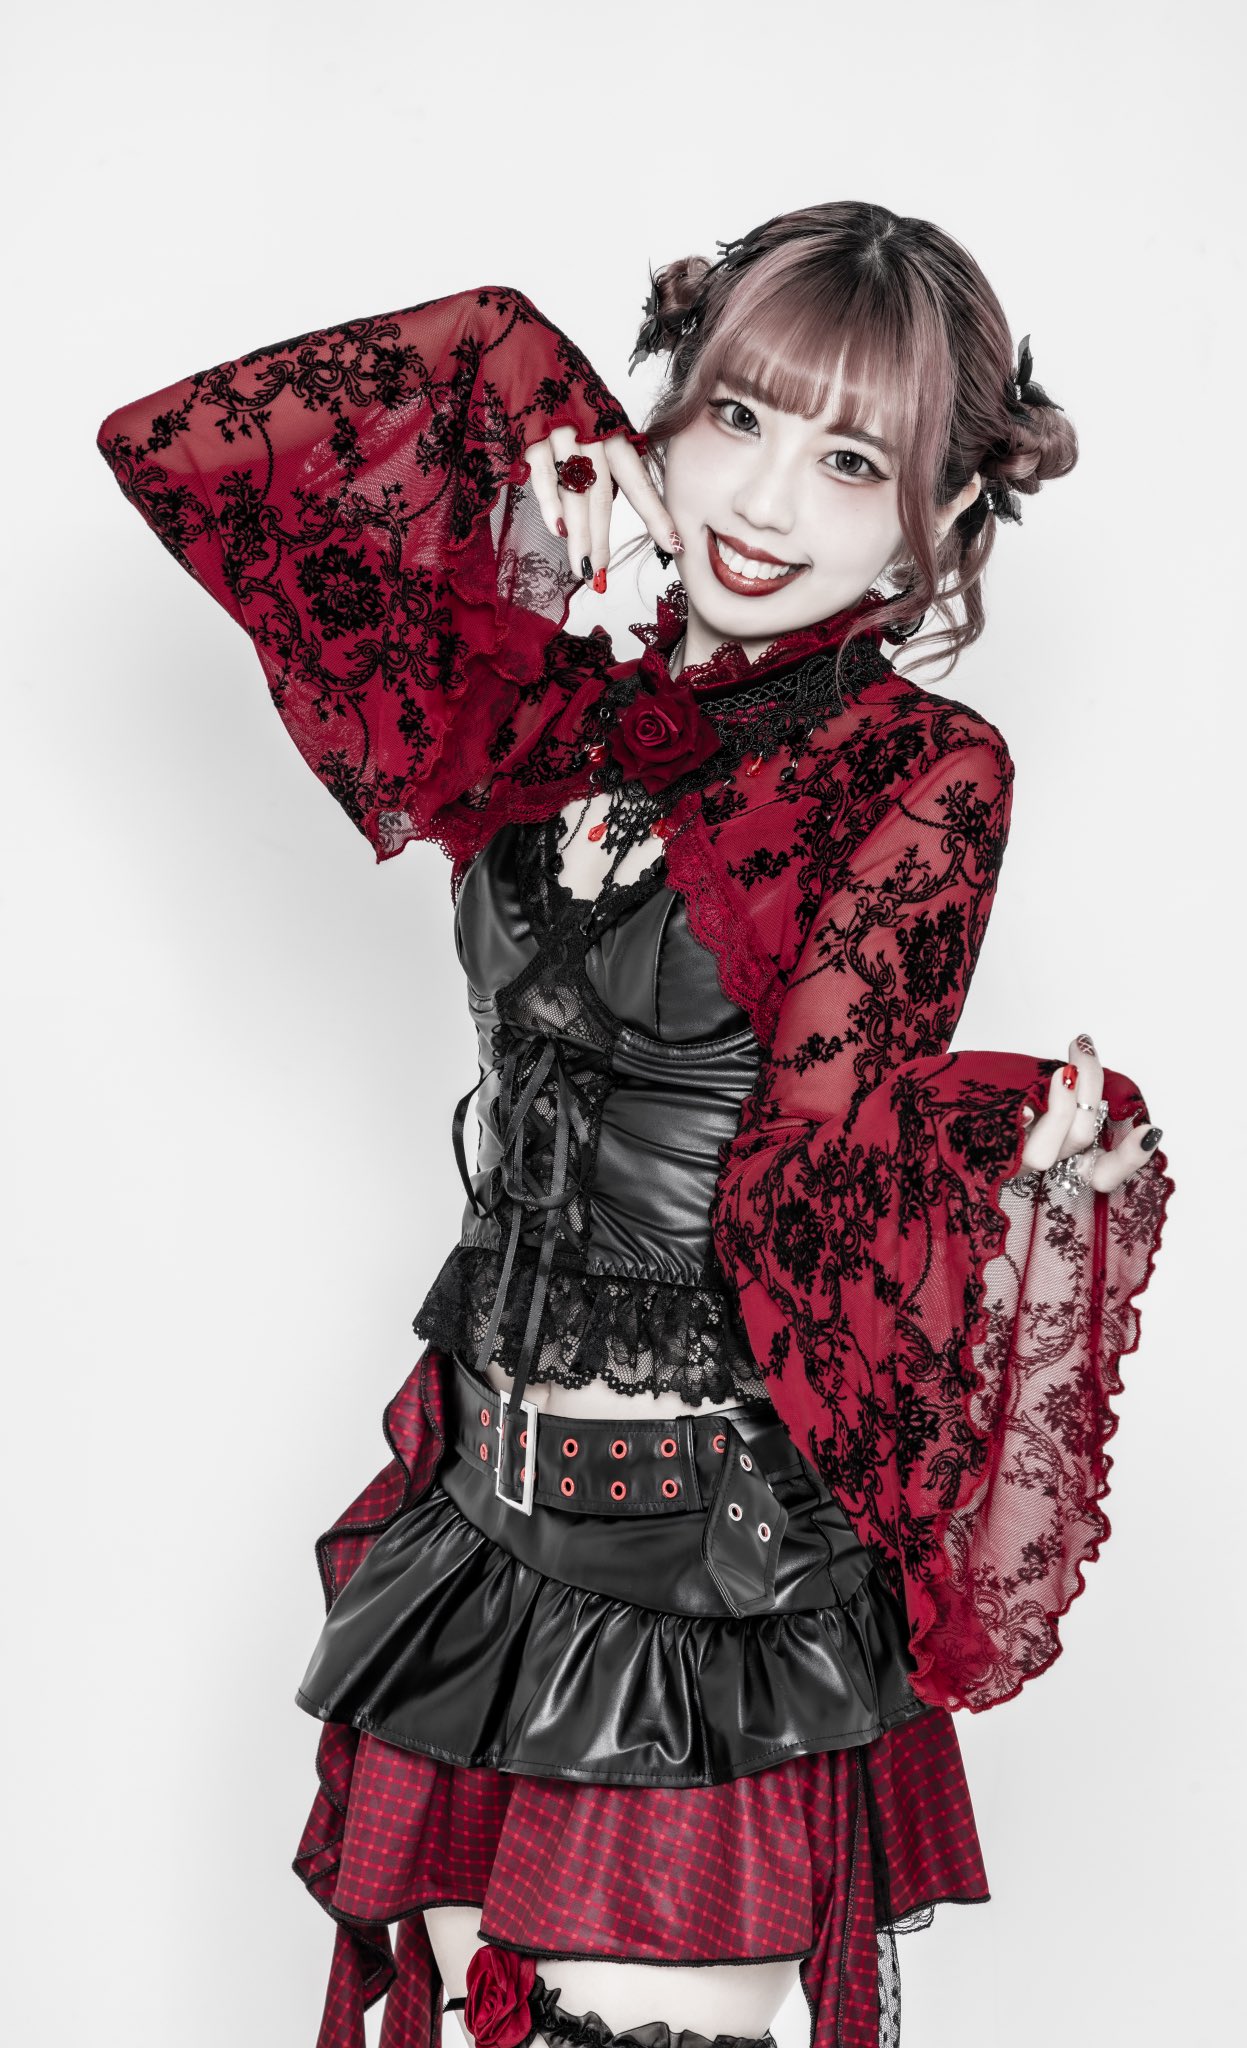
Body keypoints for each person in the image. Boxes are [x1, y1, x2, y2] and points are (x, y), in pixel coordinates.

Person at [95, 200, 1174, 2048]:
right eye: (734, 417)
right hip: (470, 1523)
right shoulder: (546, 683)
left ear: (937, 516)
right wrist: (526, 420)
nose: (765, 500)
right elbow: (172, 449)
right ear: (663, 410)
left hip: (704, 1575)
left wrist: (1006, 1151)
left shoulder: (919, 771)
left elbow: (813, 1176)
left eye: (852, 463)